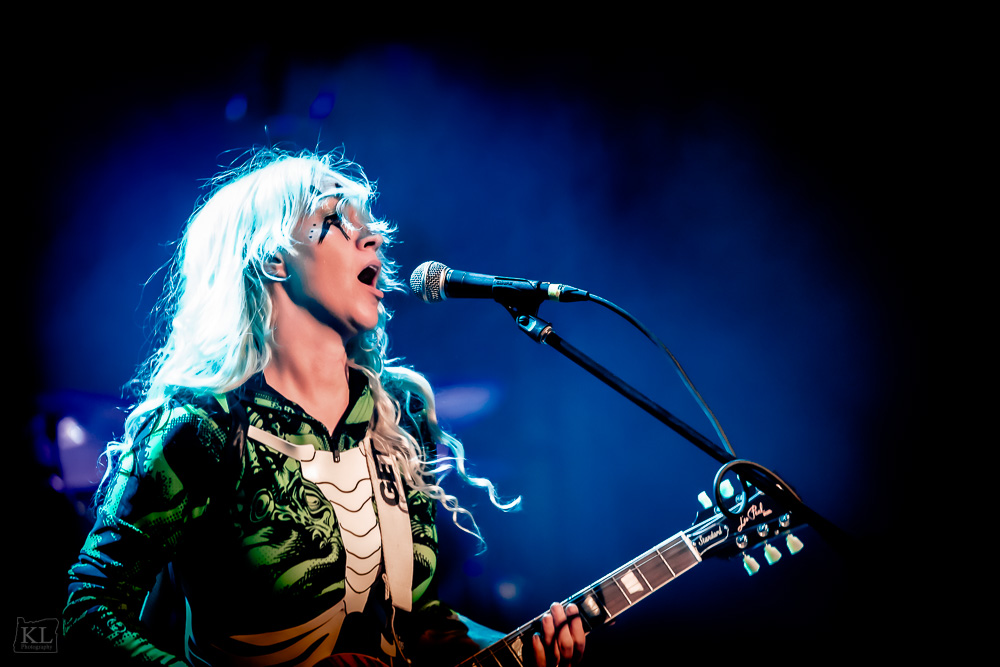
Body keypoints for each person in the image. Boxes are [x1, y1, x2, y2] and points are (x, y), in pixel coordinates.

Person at [63, 148, 586, 666]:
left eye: (370, 225)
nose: (374, 237)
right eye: (336, 220)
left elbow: (417, 621)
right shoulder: (203, 429)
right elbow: (87, 613)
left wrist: (518, 649)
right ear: (274, 258)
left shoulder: (396, 416)